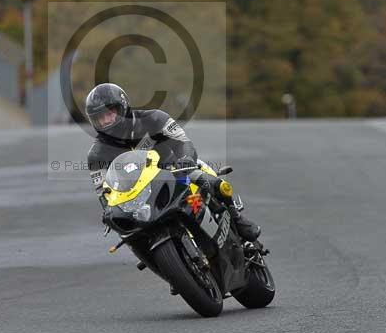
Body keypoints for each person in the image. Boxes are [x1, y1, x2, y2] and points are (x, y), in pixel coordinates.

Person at [84, 82, 260, 241]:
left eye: (109, 113)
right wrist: (108, 209)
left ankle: (236, 218)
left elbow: (183, 142)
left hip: (176, 171)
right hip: (140, 193)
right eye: (100, 117)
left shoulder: (154, 118)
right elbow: (102, 190)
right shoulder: (97, 154)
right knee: (126, 230)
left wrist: (186, 160)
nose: (106, 121)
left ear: (122, 107)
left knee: (203, 176)